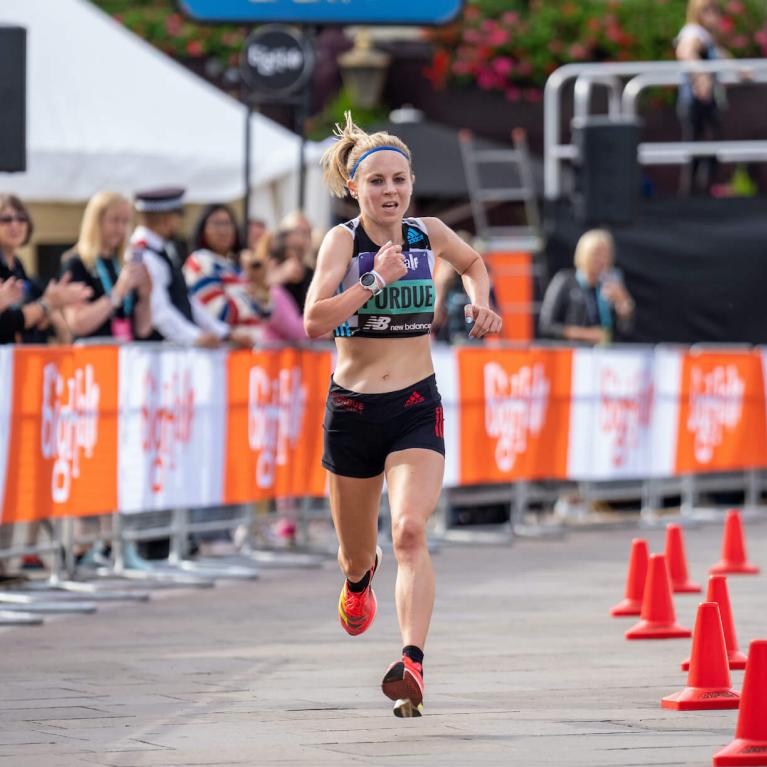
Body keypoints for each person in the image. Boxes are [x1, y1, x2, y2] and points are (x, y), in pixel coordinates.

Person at [304, 113, 502, 717]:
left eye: (399, 180)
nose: (390, 192)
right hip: (353, 411)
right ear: (354, 189)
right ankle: (359, 581)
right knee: (357, 553)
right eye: (377, 183)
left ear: (412, 183)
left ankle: (411, 661)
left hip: (416, 404)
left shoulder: (430, 233)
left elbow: (473, 263)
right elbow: (315, 320)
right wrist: (372, 279)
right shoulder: (344, 242)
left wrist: (481, 305)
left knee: (411, 531)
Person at [129, 188, 252, 348]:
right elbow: (159, 311)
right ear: (167, 218)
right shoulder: (144, 253)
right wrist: (195, 337)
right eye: (177, 216)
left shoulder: (161, 250)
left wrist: (224, 333)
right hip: (157, 351)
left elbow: (185, 299)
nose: (179, 223)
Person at [61, 191, 152, 341]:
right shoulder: (76, 263)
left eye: (125, 221)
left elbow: (143, 329)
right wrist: (118, 292)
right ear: (96, 221)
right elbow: (77, 323)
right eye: (115, 220)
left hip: (126, 355)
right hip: (92, 357)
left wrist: (145, 296)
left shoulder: (125, 263)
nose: (121, 229)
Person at [183, 204, 270, 333]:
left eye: (228, 224)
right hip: (223, 349)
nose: (223, 230)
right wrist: (248, 303)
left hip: (250, 348)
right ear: (203, 230)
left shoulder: (234, 267)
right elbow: (219, 312)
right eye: (217, 224)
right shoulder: (200, 261)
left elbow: (266, 313)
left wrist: (260, 283)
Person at [539, 229, 635, 345]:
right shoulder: (565, 281)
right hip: (572, 355)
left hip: (604, 356)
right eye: (596, 254)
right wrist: (584, 334)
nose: (601, 260)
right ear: (584, 254)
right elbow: (546, 326)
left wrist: (624, 305)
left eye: (605, 255)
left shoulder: (609, 285)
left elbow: (625, 331)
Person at [675, 0, 729, 195]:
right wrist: (701, 76)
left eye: (715, 9)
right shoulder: (693, 33)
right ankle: (691, 196)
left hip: (709, 100)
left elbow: (724, 58)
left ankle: (705, 190)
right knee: (696, 145)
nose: (712, 14)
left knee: (711, 143)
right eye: (707, 10)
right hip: (695, 100)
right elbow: (685, 52)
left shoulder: (708, 36)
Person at [242, 232, 307, 344]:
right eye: (294, 249)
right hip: (270, 357)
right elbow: (296, 331)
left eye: (301, 249)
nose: (297, 257)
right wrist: (328, 327)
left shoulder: (283, 289)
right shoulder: (275, 293)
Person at [270, 228, 315, 313]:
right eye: (293, 248)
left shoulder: (310, 273)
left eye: (300, 249)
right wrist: (281, 274)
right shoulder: (272, 268)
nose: (296, 254)